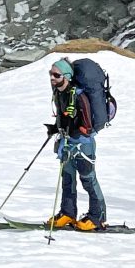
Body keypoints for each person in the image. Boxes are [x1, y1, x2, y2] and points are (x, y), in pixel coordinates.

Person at [45, 59, 107, 231]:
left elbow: (87, 126)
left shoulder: (79, 96)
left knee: (88, 180)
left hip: (82, 145)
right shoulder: (58, 93)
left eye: (56, 75)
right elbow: (62, 115)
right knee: (68, 179)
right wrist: (56, 128)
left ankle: (98, 217)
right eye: (51, 74)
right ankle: (68, 213)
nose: (52, 78)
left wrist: (72, 131)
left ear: (67, 76)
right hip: (67, 142)